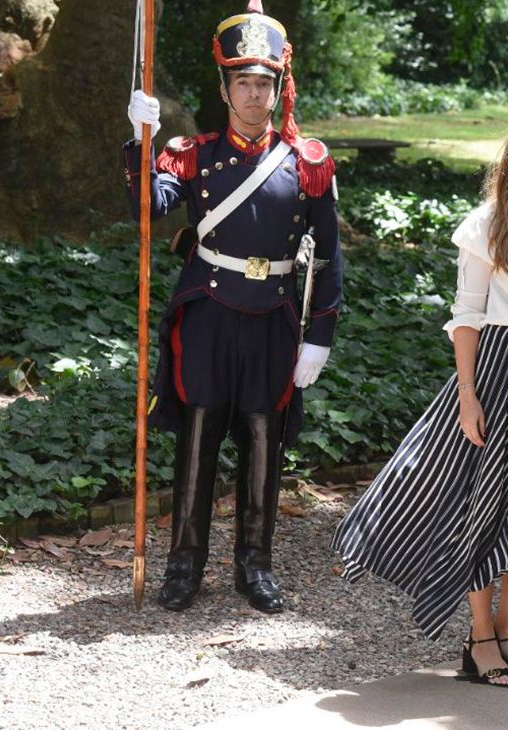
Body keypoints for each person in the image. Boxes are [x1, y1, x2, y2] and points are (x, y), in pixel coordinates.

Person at [332, 101, 508, 687]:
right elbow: (467, 315)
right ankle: (482, 640)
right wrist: (467, 395)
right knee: (486, 509)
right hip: (502, 369)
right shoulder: (488, 222)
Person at [122, 0, 342, 614]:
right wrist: (138, 142)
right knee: (197, 435)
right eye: (242, 82)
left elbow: (327, 255)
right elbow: (153, 203)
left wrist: (320, 333)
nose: (253, 94)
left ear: (279, 89)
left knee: (264, 441)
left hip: (273, 316)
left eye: (263, 83)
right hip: (209, 314)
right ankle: (184, 564)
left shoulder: (308, 163)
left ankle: (256, 565)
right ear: (224, 88)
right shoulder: (193, 154)